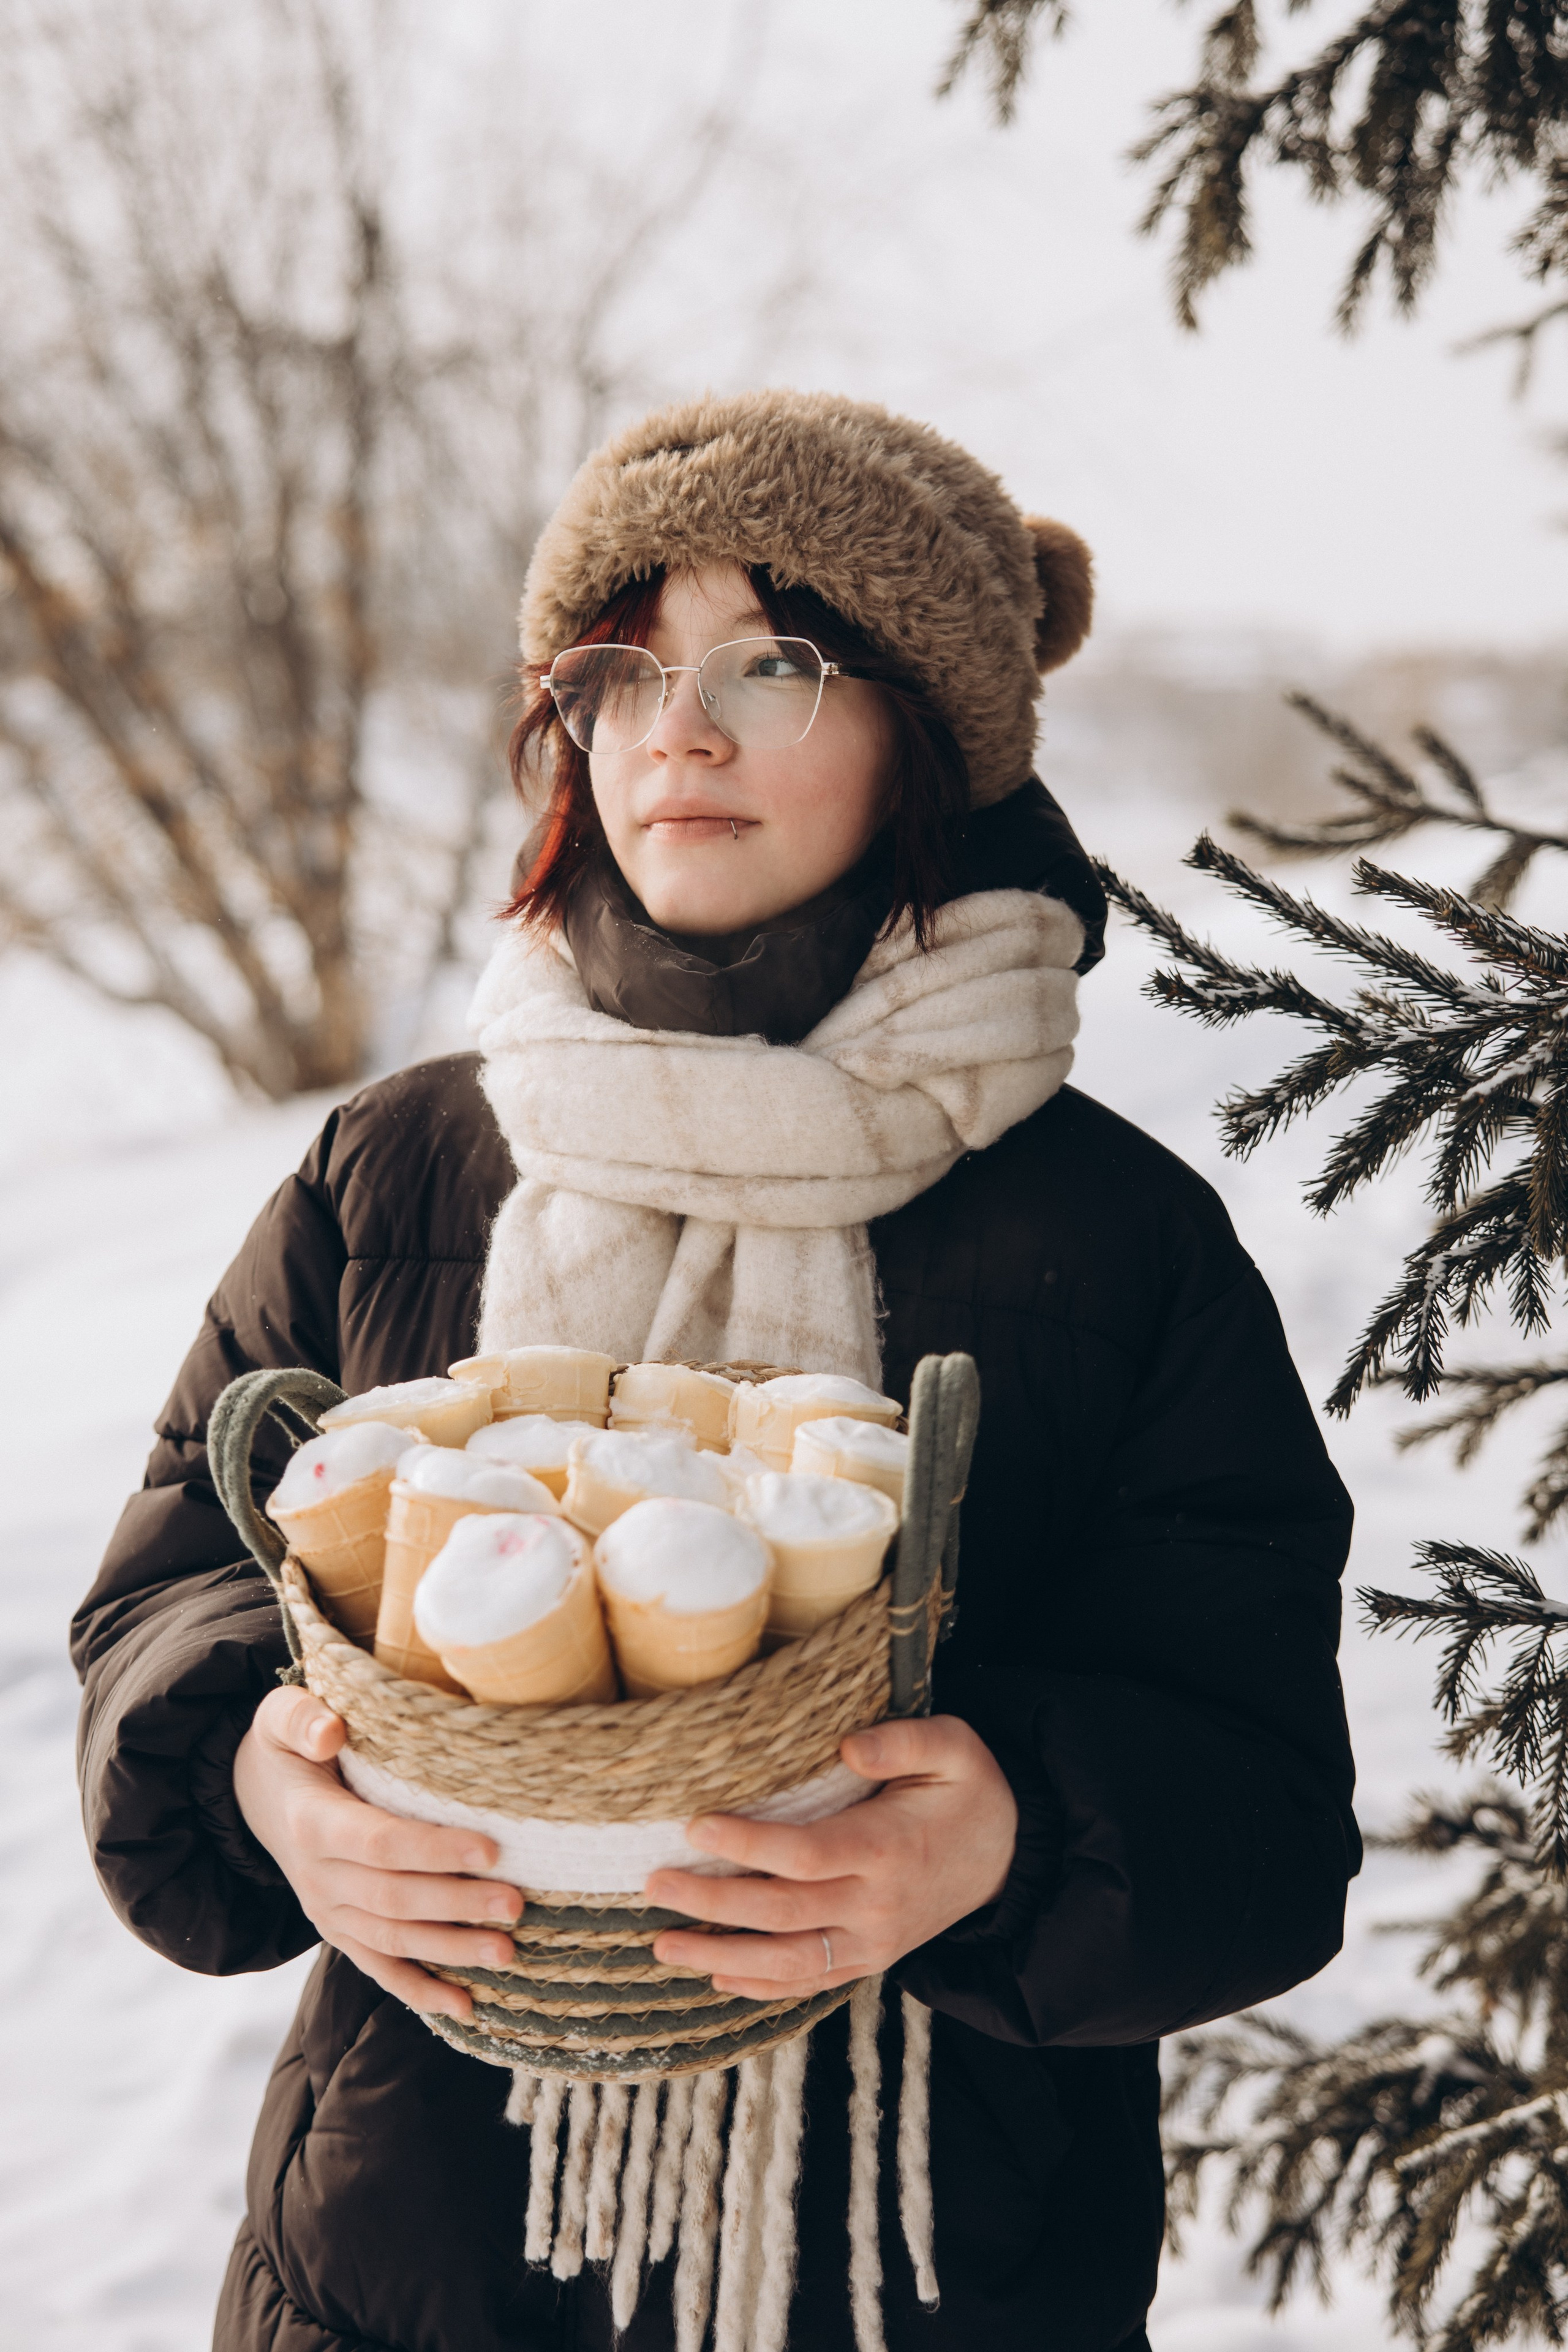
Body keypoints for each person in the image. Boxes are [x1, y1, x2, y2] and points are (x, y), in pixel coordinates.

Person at [72, 390, 1358, 2352]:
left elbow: (1260, 1805)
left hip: (928, 2271)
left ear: (930, 726)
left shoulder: (1119, 1240)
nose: (679, 724)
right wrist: (262, 1779)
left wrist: (1011, 1836)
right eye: (625, 665)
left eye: (776, 660)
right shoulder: (408, 1164)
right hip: (409, 2257)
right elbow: (165, 1605)